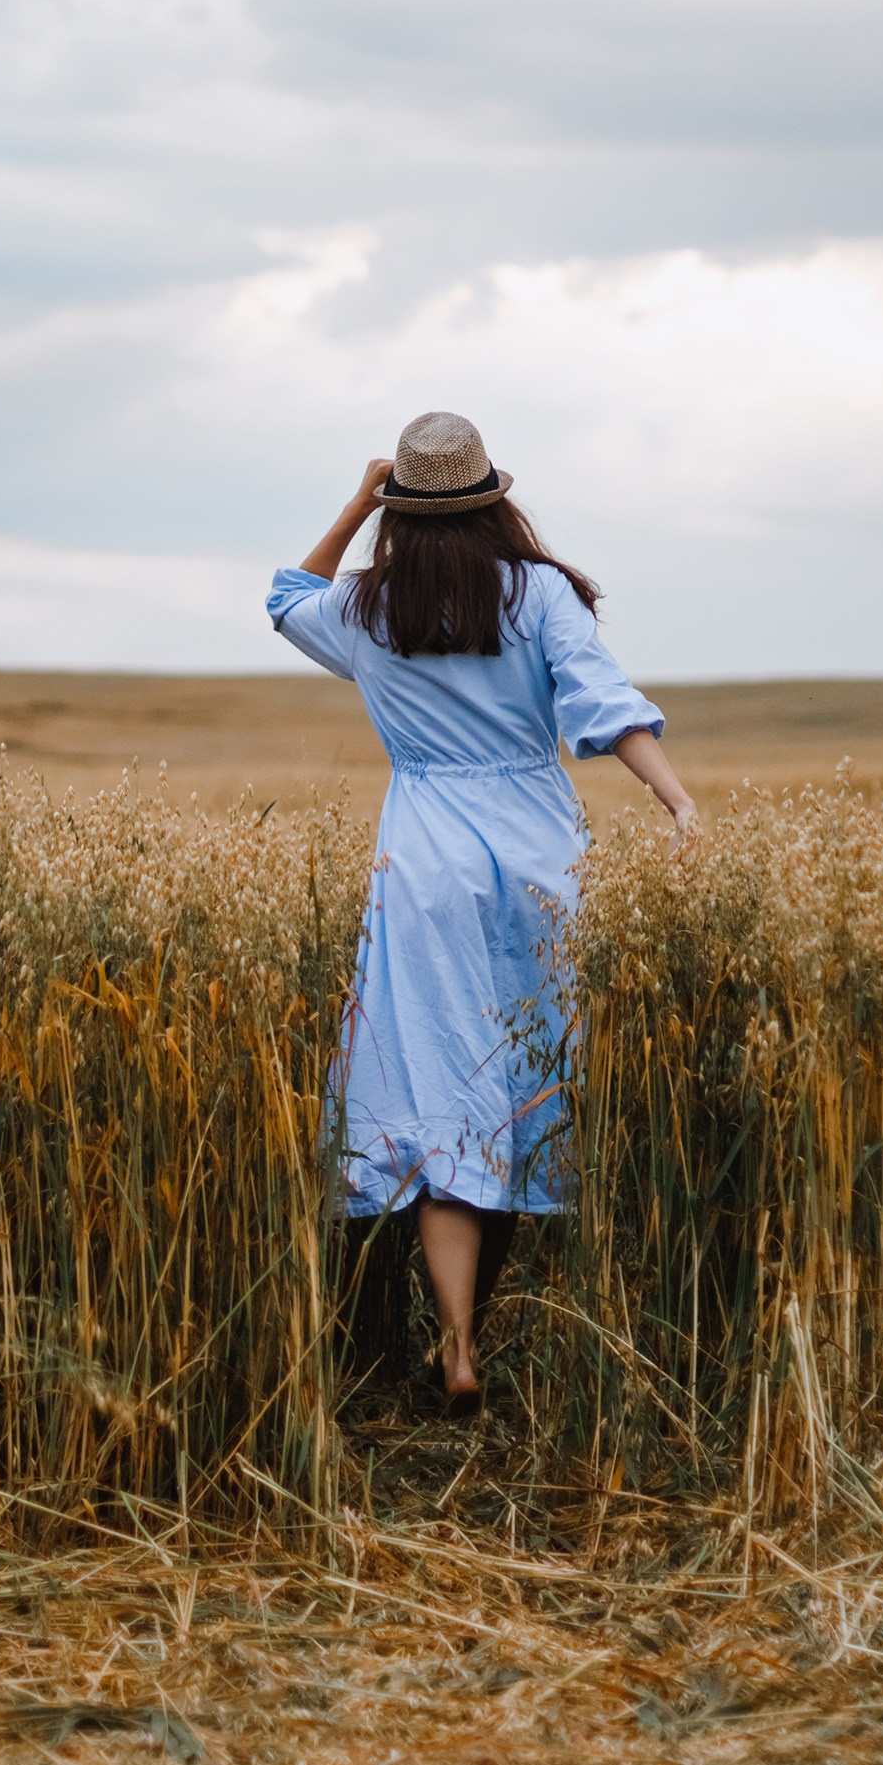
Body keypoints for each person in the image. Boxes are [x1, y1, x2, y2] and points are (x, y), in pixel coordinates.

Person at [268, 410, 696, 1413]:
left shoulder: (368, 609)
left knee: (438, 1093)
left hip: (421, 862)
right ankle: (473, 1335)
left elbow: (286, 599)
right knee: (527, 1087)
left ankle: (457, 1345)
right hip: (540, 854)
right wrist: (674, 799)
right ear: (495, 498)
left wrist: (352, 504)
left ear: (398, 507)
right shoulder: (539, 593)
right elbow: (605, 700)